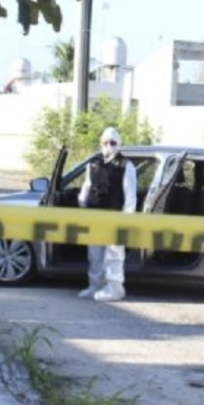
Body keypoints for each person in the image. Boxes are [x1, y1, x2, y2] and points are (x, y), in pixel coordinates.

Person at [77, 127, 137, 302]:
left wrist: (127, 220)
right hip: (94, 216)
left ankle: (114, 289)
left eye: (113, 142)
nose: (109, 146)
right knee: (94, 254)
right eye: (105, 142)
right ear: (100, 143)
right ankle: (95, 285)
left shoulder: (126, 165)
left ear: (119, 144)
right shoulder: (93, 163)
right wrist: (82, 206)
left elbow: (130, 196)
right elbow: (86, 187)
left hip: (115, 217)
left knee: (114, 254)